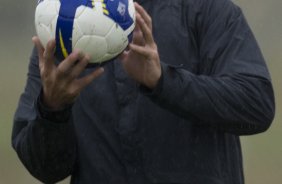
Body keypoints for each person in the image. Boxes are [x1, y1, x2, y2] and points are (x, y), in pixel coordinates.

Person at [12, 0, 275, 183]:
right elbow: (45, 169)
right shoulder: (60, 29)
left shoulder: (205, 9)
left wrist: (162, 81)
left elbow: (257, 105)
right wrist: (53, 109)